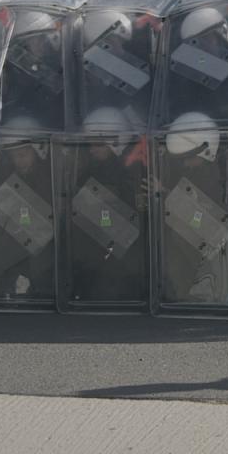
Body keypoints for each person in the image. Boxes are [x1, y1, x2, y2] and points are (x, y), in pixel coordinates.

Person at [63, 106, 149, 305]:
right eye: (90, 145)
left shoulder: (133, 172)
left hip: (126, 254)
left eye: (98, 145)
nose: (91, 150)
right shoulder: (89, 169)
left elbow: (138, 219)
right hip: (96, 242)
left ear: (117, 143)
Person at [159, 112, 228, 306]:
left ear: (207, 150)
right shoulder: (191, 174)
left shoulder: (215, 181)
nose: (185, 163)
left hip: (204, 281)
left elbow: (204, 223)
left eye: (190, 157)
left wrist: (165, 194)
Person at [0, 120, 55, 304]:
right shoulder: (1, 178)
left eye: (25, 153)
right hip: (10, 242)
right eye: (15, 155)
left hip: (43, 245)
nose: (20, 159)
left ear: (38, 151)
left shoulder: (52, 178)